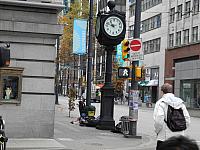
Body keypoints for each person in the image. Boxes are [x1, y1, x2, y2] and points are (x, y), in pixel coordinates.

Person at [153, 83, 190, 150]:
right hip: (179, 138)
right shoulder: (180, 102)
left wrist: (157, 131)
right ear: (171, 91)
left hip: (164, 138)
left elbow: (159, 120)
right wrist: (181, 128)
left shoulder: (161, 102)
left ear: (162, 92)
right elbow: (187, 119)